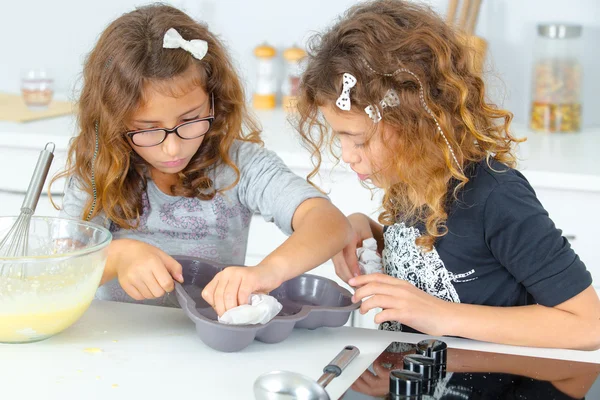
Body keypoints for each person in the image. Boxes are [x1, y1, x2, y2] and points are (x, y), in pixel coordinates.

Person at [294, 0, 600, 349]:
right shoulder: (410, 181)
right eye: (341, 138)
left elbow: (588, 325)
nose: (348, 157)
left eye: (360, 140)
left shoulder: (496, 196)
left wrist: (441, 315)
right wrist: (371, 232)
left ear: (416, 122)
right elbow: (446, 255)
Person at [55, 4, 351, 317]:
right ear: (114, 121)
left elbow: (329, 223)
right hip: (110, 346)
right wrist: (114, 258)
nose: (172, 148)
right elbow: (57, 277)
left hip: (210, 348)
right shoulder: (99, 172)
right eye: (147, 129)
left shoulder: (239, 165)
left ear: (215, 98)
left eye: (191, 119)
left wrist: (267, 272)